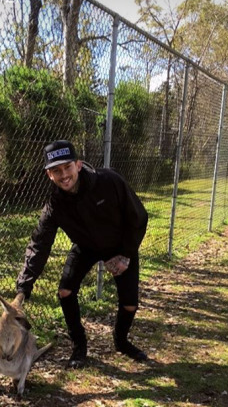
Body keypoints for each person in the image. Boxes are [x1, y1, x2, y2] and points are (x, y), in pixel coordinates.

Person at [16, 140, 148, 368]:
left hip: (120, 245)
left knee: (130, 305)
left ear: (78, 165)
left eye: (67, 167)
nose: (64, 175)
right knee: (65, 292)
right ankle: (79, 346)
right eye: (56, 171)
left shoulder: (109, 181)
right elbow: (39, 244)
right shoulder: (55, 205)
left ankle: (121, 341)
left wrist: (126, 254)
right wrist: (23, 288)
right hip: (86, 246)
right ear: (49, 175)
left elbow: (138, 217)